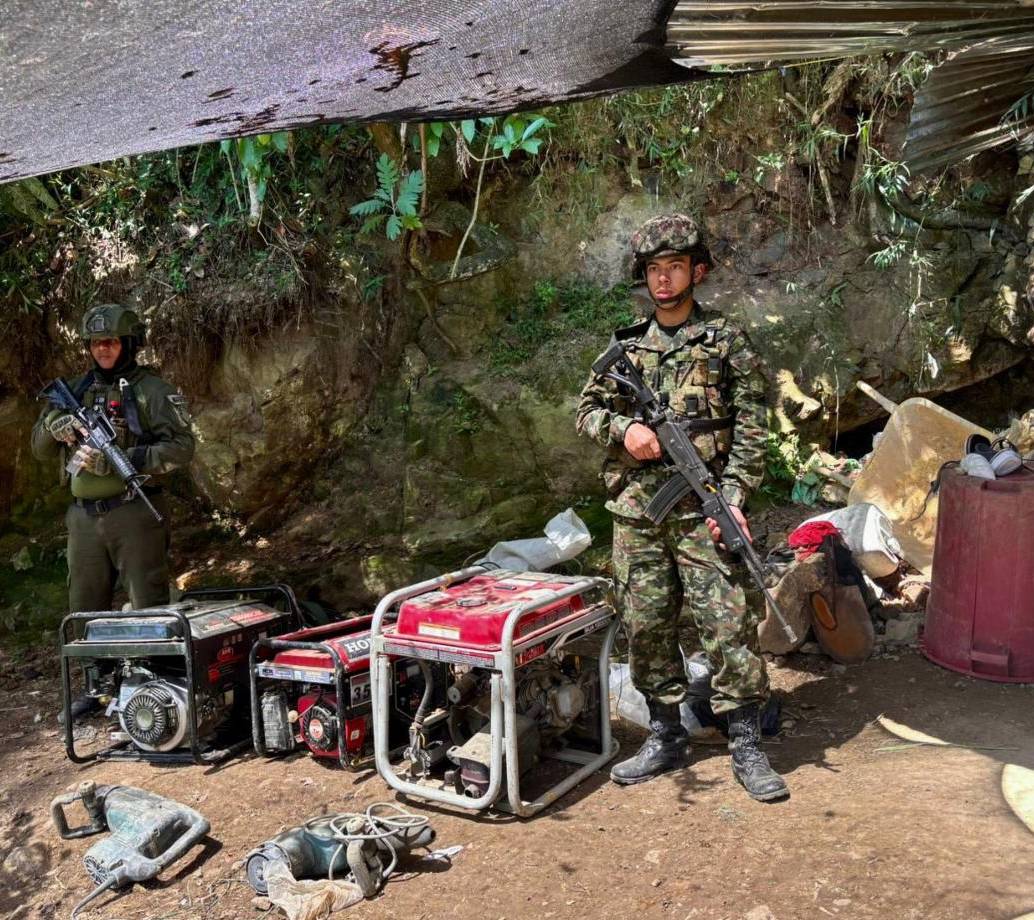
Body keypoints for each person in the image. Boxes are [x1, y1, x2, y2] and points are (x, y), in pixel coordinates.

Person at [576, 214, 787, 802]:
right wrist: (624, 432)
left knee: (727, 624)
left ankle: (746, 743)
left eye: (673, 267)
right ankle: (666, 735)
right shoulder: (624, 348)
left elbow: (752, 427)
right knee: (646, 626)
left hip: (705, 508)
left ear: (697, 271)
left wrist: (735, 499)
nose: (663, 279)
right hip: (638, 514)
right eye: (653, 270)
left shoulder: (725, 340)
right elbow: (585, 412)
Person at [31, 302, 195, 619]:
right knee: (84, 612)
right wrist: (53, 424)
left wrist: (126, 459)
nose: (102, 349)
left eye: (112, 341)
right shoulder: (74, 391)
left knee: (150, 609)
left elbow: (182, 448)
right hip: (83, 519)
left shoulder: (153, 390)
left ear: (129, 344)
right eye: (95, 343)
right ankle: (94, 669)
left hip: (134, 512)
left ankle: (153, 668)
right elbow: (40, 450)